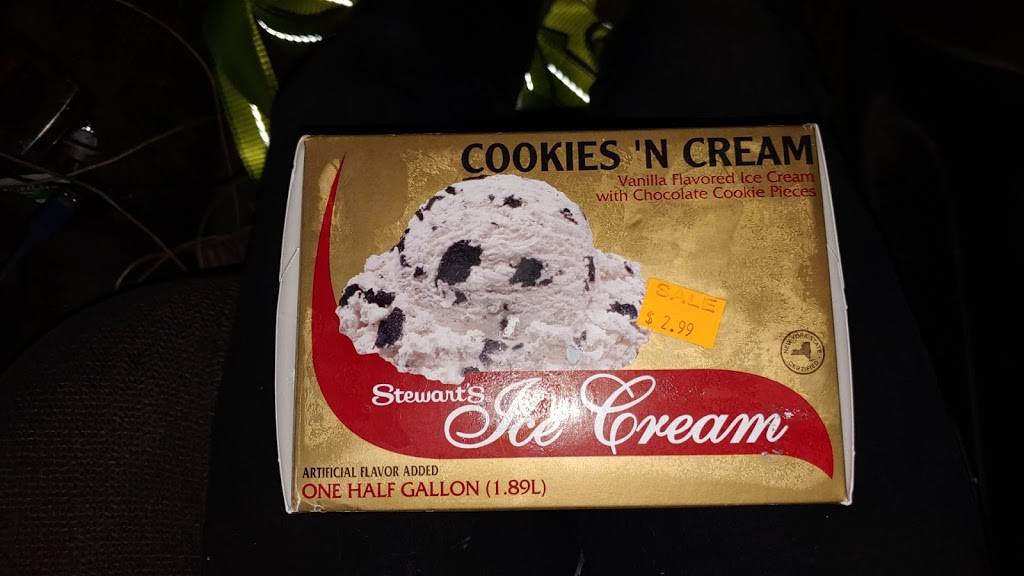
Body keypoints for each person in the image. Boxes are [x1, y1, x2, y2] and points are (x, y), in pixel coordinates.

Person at [202, 1, 987, 573]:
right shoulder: (404, 304)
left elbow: (704, 315)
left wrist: (720, 316)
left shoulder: (608, 288)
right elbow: (712, 316)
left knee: (352, 100)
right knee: (726, 55)